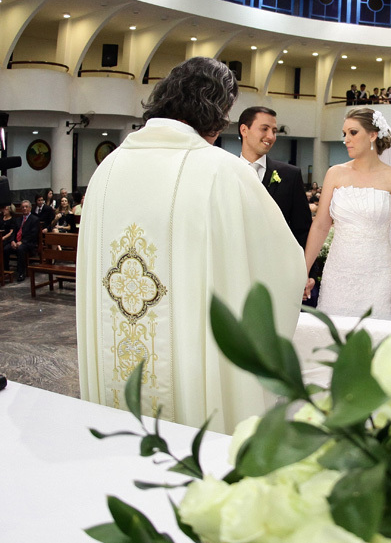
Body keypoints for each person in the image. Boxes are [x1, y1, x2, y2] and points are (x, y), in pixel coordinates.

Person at [76, 57, 305, 434]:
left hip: (116, 366)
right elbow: (283, 267)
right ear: (216, 113)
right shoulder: (223, 171)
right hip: (192, 369)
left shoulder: (108, 168)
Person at [304, 107, 391, 323]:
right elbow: (321, 226)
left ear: (372, 135)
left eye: (353, 133)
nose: (346, 139)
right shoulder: (335, 173)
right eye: (344, 134)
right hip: (339, 274)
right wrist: (302, 272)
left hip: (380, 275)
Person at [238, 106, 313, 248]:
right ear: (244, 130)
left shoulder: (290, 175)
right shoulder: (226, 172)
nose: (271, 137)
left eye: (274, 131)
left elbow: (302, 230)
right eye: (264, 129)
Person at [6, 199, 40, 281]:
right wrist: (12, 241)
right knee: (5, 248)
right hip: (17, 242)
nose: (24, 209)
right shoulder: (18, 219)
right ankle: (6, 271)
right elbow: (14, 232)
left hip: (29, 243)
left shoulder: (34, 219)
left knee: (21, 249)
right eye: (23, 207)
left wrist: (22, 242)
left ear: (30, 208)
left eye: (26, 207)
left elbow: (33, 234)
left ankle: (21, 273)